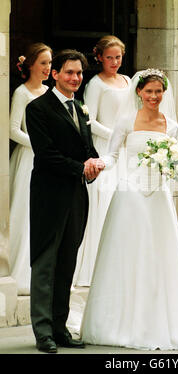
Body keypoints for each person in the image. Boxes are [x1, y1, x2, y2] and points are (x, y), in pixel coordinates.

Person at [80, 69, 178, 351]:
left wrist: (175, 166)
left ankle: (158, 318)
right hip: (130, 194)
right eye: (148, 91)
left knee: (159, 255)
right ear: (138, 92)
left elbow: (172, 164)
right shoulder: (126, 120)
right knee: (128, 253)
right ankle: (120, 321)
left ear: (164, 93)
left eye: (158, 92)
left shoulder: (170, 125)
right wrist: (99, 164)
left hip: (158, 195)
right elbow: (112, 156)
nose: (153, 96)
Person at [26, 49, 104, 353]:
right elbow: (45, 155)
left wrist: (94, 165)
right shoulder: (38, 109)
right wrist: (79, 168)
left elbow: (88, 147)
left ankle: (60, 329)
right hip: (49, 195)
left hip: (76, 195)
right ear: (54, 73)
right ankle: (43, 331)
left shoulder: (80, 107)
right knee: (45, 264)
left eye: (80, 73)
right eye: (69, 72)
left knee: (67, 264)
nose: (76, 78)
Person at [73, 35, 131, 287]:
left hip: (128, 146)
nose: (114, 62)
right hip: (107, 145)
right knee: (105, 199)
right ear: (99, 57)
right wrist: (116, 136)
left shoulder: (128, 81)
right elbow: (90, 120)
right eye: (109, 57)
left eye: (118, 57)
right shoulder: (95, 84)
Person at [9, 42, 52, 295]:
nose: (48, 68)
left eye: (50, 63)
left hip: (48, 160)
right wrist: (39, 145)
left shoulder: (49, 91)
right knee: (25, 211)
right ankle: (21, 272)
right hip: (29, 159)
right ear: (32, 66)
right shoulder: (22, 93)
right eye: (43, 63)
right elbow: (13, 129)